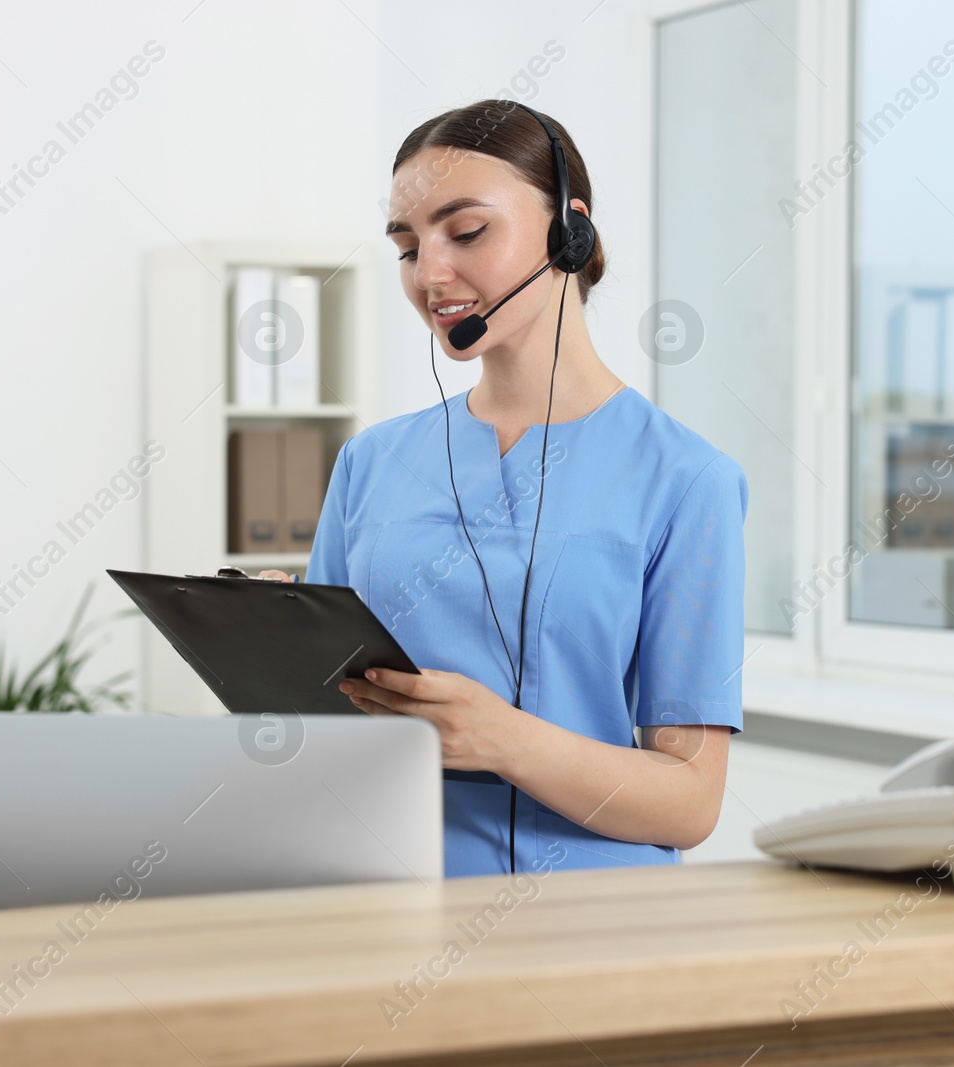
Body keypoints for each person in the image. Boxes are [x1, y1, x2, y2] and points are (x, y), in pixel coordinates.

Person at [259, 99, 748, 879]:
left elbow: (690, 801)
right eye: (407, 247)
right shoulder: (370, 462)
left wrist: (503, 738)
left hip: (584, 933)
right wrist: (271, 655)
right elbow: (322, 730)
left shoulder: (687, 480)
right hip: (367, 900)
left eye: (467, 231)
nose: (430, 274)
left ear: (569, 230)